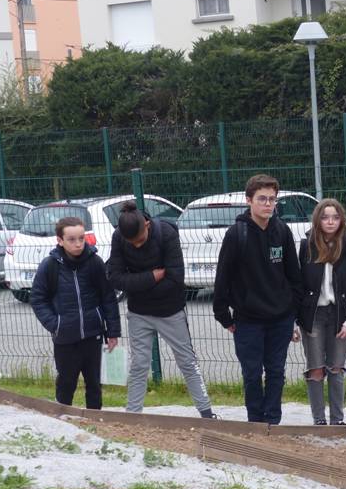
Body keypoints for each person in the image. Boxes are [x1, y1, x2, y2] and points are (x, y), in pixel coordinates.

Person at [107, 201, 217, 418]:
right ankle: (133, 416)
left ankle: (206, 413)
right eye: (132, 243)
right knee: (138, 365)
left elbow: (176, 279)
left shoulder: (166, 233)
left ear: (147, 224)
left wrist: (136, 285)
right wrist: (151, 277)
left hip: (170, 311)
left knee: (187, 361)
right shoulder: (119, 237)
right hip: (139, 312)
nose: (136, 246)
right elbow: (116, 278)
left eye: (139, 240)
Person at [213, 174, 302, 425]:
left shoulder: (282, 232)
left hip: (280, 319)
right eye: (262, 199)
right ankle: (255, 420)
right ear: (249, 200)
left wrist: (292, 315)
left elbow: (294, 277)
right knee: (252, 375)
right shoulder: (236, 234)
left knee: (276, 372)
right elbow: (223, 279)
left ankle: (273, 421)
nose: (268, 204)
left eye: (272, 199)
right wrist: (224, 316)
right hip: (248, 320)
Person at [30, 216, 121, 410]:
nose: (78, 244)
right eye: (72, 239)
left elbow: (108, 297)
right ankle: (63, 421)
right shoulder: (49, 266)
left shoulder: (95, 263)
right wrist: (55, 324)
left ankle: (95, 422)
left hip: (93, 336)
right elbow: (38, 299)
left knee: (95, 384)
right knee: (66, 383)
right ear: (60, 240)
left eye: (81, 238)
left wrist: (113, 332)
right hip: (65, 339)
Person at [295, 198, 346, 426]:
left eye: (335, 217)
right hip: (313, 315)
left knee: (336, 367)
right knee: (316, 368)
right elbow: (296, 285)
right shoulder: (306, 245)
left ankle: (337, 420)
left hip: (339, 314)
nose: (330, 222)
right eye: (325, 217)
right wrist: (293, 320)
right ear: (318, 219)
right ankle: (319, 420)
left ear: (342, 220)